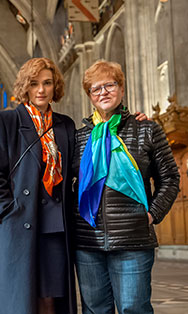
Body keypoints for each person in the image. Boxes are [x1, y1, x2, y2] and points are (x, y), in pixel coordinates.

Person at [72, 60, 180, 314]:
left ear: (121, 89)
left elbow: (171, 178)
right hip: (88, 243)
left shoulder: (147, 129)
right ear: (89, 96)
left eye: (110, 85)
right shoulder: (79, 138)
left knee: (134, 308)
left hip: (133, 239)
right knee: (96, 310)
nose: (103, 92)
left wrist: (153, 214)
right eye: (95, 89)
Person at [0, 57, 77, 314]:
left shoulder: (65, 125)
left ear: (56, 87)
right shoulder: (6, 121)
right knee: (25, 300)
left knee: (53, 298)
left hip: (56, 227)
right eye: (34, 84)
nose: (41, 90)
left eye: (47, 83)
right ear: (25, 86)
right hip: (22, 222)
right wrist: (6, 213)